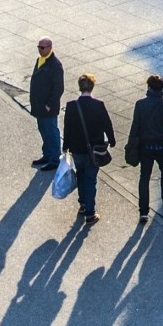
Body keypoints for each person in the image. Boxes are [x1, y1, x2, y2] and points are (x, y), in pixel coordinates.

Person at [128, 74, 163, 222]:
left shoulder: (140, 104)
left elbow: (135, 127)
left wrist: (131, 146)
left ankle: (143, 211)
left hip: (146, 147)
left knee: (144, 177)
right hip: (162, 146)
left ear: (148, 87)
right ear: (162, 89)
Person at [62, 73, 115, 226]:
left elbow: (68, 128)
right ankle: (90, 214)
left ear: (80, 87)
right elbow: (107, 124)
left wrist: (65, 145)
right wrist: (111, 140)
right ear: (92, 87)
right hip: (94, 149)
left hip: (77, 148)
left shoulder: (72, 106)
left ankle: (83, 204)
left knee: (80, 174)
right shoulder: (98, 105)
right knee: (91, 179)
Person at [29, 37, 64, 171]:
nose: (39, 49)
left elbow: (58, 88)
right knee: (43, 130)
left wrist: (50, 104)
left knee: (51, 131)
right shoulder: (40, 60)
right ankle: (47, 154)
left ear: (50, 47)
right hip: (39, 105)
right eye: (38, 47)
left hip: (48, 107)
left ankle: (55, 158)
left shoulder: (55, 65)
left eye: (42, 47)